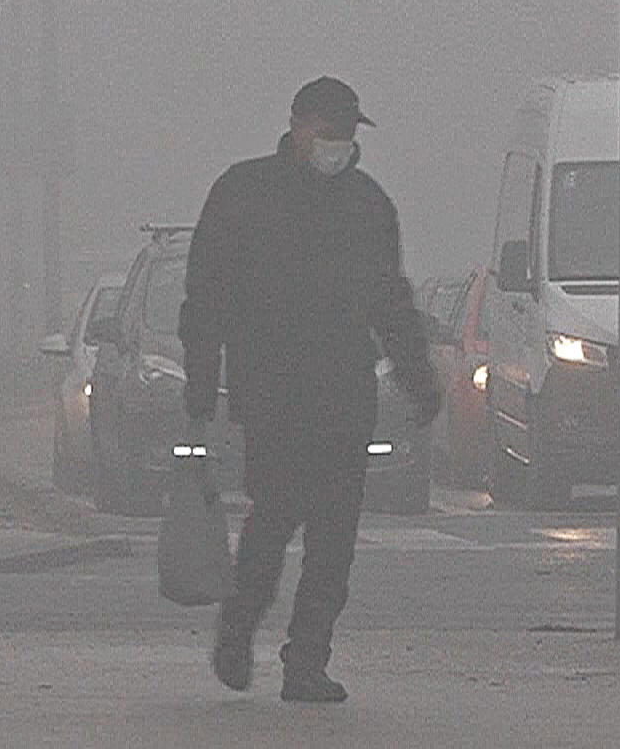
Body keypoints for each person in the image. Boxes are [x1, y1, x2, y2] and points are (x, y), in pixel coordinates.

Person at [180, 76, 441, 703]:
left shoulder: (367, 205)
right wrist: (199, 377)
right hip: (271, 392)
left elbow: (390, 299)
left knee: (334, 538)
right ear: (296, 125)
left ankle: (307, 660)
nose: (339, 145)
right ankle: (240, 628)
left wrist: (417, 377)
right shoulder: (243, 194)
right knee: (273, 520)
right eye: (329, 131)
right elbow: (206, 295)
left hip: (344, 395)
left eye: (349, 134)